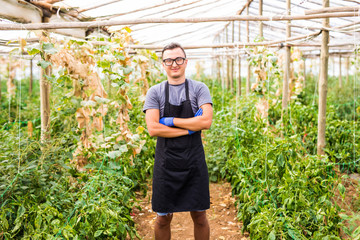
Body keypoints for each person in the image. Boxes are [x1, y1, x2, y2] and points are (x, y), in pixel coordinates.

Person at [143, 42, 213, 240]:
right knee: (163, 218)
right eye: (169, 60)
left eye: (178, 59)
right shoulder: (155, 92)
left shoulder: (199, 89)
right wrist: (190, 129)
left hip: (194, 162)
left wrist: (172, 121)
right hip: (166, 164)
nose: (174, 63)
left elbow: (206, 121)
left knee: (199, 215)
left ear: (186, 62)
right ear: (163, 64)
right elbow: (153, 128)